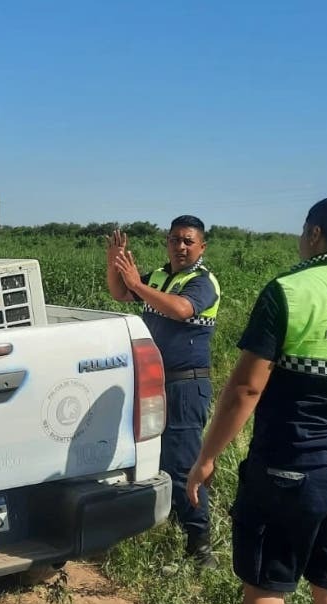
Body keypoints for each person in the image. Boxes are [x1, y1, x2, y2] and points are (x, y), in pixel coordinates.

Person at [186, 197, 327, 604]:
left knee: (266, 588)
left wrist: (207, 456)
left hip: (289, 469)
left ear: (315, 234)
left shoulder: (289, 290)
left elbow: (245, 389)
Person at [106, 215, 220, 567]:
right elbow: (119, 292)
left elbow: (181, 309)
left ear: (201, 246)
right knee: (158, 457)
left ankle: (200, 545)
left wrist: (135, 284)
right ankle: (170, 522)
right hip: (155, 382)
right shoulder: (158, 276)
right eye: (174, 240)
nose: (180, 246)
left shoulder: (202, 282)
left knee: (184, 462)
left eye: (188, 241)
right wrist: (115, 265)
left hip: (186, 384)